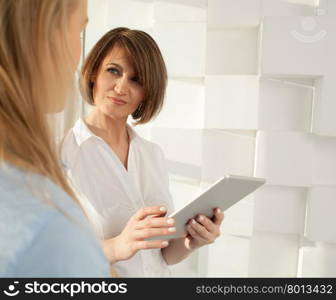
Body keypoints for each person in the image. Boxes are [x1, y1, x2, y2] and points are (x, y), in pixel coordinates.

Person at [61, 27, 224, 277]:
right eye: (113, 71)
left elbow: (163, 254)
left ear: (146, 92)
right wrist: (116, 246)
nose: (121, 87)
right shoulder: (61, 153)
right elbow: (47, 255)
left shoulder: (152, 154)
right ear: (94, 72)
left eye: (136, 80)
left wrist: (193, 240)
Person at [0, 0, 109, 277]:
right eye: (79, 32)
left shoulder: (152, 153)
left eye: (137, 78)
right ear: (43, 33)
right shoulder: (48, 230)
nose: (78, 55)